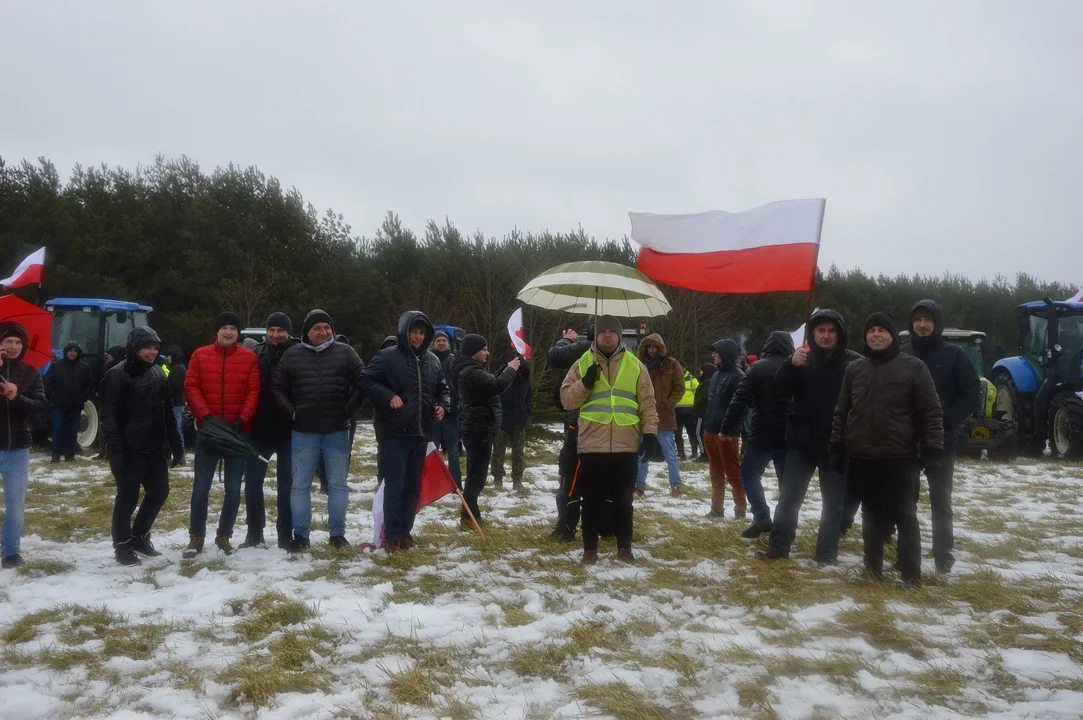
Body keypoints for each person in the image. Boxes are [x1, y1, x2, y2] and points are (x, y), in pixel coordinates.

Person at [832, 312, 944, 587]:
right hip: (862, 456)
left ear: (892, 336)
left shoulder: (913, 367)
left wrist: (933, 448)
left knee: (904, 515)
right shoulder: (855, 370)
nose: (876, 335)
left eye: (882, 330)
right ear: (866, 336)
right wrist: (836, 443)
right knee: (870, 515)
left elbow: (931, 411)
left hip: (900, 456)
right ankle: (872, 569)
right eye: (871, 331)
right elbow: (842, 410)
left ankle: (911, 575)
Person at [760, 309, 862, 565]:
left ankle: (826, 554)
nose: (826, 336)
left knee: (834, 504)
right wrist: (788, 365)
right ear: (813, 334)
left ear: (840, 335)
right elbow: (776, 391)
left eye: (831, 331)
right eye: (821, 330)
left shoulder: (853, 363)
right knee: (789, 499)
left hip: (836, 444)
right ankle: (778, 547)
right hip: (801, 444)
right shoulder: (800, 360)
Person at [560, 315, 658, 565]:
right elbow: (567, 400)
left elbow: (647, 403)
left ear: (618, 336)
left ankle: (625, 548)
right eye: (601, 331)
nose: (606, 335)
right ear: (595, 336)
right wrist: (586, 382)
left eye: (611, 332)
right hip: (592, 445)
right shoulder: (583, 363)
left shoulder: (635, 365)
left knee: (624, 501)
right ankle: (589, 551)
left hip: (626, 445)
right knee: (590, 502)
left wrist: (650, 434)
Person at [900, 300, 981, 574]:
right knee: (905, 499)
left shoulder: (954, 355)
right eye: (917, 320)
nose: (922, 325)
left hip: (942, 440)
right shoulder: (901, 354)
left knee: (940, 500)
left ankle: (942, 553)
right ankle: (906, 553)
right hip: (905, 440)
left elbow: (971, 393)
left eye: (928, 320)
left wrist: (946, 420)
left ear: (937, 324)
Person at [358, 311, 450, 553]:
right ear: (404, 332)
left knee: (412, 487)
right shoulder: (388, 357)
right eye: (413, 332)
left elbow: (443, 389)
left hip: (421, 434)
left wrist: (443, 406)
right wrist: (389, 396)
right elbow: (365, 379)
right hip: (395, 433)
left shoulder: (433, 360)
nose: (417, 337)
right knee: (395, 487)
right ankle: (392, 536)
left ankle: (405, 532)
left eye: (421, 333)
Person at [274, 310, 365, 551]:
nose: (323, 332)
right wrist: (293, 412)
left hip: (337, 430)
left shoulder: (346, 352)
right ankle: (301, 535)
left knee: (337, 484)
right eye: (317, 328)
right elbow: (277, 388)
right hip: (304, 432)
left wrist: (348, 411)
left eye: (327, 327)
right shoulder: (292, 355)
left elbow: (363, 382)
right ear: (307, 331)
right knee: (300, 485)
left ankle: (337, 535)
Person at [102, 327, 183, 566]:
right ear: (134, 348)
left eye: (156, 347)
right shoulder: (118, 374)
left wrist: (176, 443)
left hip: (155, 446)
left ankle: (139, 535)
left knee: (159, 492)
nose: (152, 351)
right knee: (127, 498)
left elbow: (167, 410)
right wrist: (114, 451)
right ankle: (122, 545)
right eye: (147, 346)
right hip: (129, 448)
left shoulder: (158, 372)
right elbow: (109, 416)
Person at [183, 312, 261, 557]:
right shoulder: (199, 355)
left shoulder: (249, 358)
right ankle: (196, 536)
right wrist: (206, 416)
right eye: (224, 328)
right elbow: (191, 387)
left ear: (238, 333)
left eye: (233, 329)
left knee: (234, 488)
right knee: (201, 488)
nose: (228, 332)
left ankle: (224, 535)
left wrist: (242, 419)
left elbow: (253, 390)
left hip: (237, 434)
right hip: (209, 432)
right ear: (217, 331)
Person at [720, 332, 795, 538]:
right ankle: (786, 526)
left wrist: (726, 428)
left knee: (749, 474)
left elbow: (739, 400)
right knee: (787, 484)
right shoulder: (796, 368)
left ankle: (761, 515)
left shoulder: (757, 368)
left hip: (762, 431)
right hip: (790, 434)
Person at [242, 312, 298, 549]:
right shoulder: (256, 354)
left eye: (281, 331)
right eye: (272, 330)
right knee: (253, 483)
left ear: (289, 333)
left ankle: (285, 533)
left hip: (290, 431)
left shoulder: (298, 353)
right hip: (259, 431)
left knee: (287, 485)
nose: (276, 335)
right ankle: (255, 532)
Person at [455, 335, 519, 526]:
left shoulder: (472, 369)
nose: (487, 353)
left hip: (480, 427)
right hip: (479, 428)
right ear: (474, 351)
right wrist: (510, 370)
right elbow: (496, 385)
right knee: (477, 477)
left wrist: (504, 368)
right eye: (484, 349)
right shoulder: (470, 371)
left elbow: (489, 381)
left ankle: (470, 516)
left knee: (476, 475)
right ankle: (469, 518)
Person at [0, 322, 47, 569]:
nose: (13, 347)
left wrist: (16, 396)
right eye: (8, 341)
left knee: (15, 503)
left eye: (18, 342)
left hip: (17, 447)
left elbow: (39, 406)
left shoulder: (31, 373)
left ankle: (10, 552)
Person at [546, 319, 593, 541]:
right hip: (581, 425)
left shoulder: (621, 358)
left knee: (576, 479)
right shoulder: (584, 349)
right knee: (571, 478)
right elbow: (555, 357)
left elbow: (555, 355)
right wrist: (566, 341)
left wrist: (566, 340)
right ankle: (567, 526)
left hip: (599, 429)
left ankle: (572, 527)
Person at [635, 333, 685, 497]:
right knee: (642, 454)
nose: (651, 350)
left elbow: (679, 387)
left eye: (654, 347)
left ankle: (676, 485)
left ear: (660, 348)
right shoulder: (640, 365)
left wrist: (668, 404)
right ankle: (639, 485)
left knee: (670, 453)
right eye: (649, 347)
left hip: (664, 417)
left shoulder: (672, 364)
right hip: (645, 416)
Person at [701, 339, 745, 518]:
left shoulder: (738, 376)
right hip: (710, 430)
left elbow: (741, 407)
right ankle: (717, 509)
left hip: (727, 434)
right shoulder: (716, 376)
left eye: (716, 353)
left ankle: (740, 509)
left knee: (733, 471)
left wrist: (731, 430)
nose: (713, 356)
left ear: (725, 354)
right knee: (715, 471)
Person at [492, 349, 533, 491]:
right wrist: (506, 368)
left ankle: (517, 479)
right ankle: (498, 479)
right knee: (498, 451)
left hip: (519, 421)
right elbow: (493, 385)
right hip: (501, 421)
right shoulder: (501, 376)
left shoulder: (525, 379)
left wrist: (526, 413)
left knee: (519, 453)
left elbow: (529, 398)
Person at [44, 340, 92, 462]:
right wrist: (54, 396)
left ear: (78, 353)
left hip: (76, 404)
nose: (72, 353)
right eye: (70, 351)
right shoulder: (56, 366)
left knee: (73, 429)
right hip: (59, 404)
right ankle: (55, 455)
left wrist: (83, 397)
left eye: (75, 351)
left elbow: (89, 385)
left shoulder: (84, 367)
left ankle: (70, 455)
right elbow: (48, 383)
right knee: (58, 427)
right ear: (66, 352)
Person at [430, 330, 462, 487]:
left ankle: (455, 484)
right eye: (438, 341)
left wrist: (457, 405)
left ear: (449, 343)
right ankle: (433, 483)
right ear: (433, 343)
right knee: (432, 451)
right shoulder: (426, 360)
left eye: (444, 340)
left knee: (453, 451)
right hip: (432, 414)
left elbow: (461, 386)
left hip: (452, 413)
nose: (441, 343)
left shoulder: (455, 362)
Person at [166, 346, 187, 466]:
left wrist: (167, 394)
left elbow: (177, 388)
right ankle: (178, 455)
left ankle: (180, 456)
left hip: (176, 403)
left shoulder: (178, 370)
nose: (167, 358)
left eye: (169, 355)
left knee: (177, 429)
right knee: (176, 428)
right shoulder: (178, 368)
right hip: (177, 402)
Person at [692, 363, 716, 462]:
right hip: (707, 413)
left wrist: (696, 407)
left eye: (702, 370)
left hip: (702, 413)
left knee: (698, 432)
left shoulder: (707, 383)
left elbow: (703, 398)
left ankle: (704, 454)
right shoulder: (711, 382)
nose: (700, 372)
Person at [674, 364, 699, 460]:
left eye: (682, 367)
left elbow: (698, 393)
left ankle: (694, 452)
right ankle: (681, 453)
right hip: (677, 410)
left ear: (685, 368)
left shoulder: (693, 379)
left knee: (691, 432)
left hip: (690, 411)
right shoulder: (674, 379)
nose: (680, 369)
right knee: (677, 433)